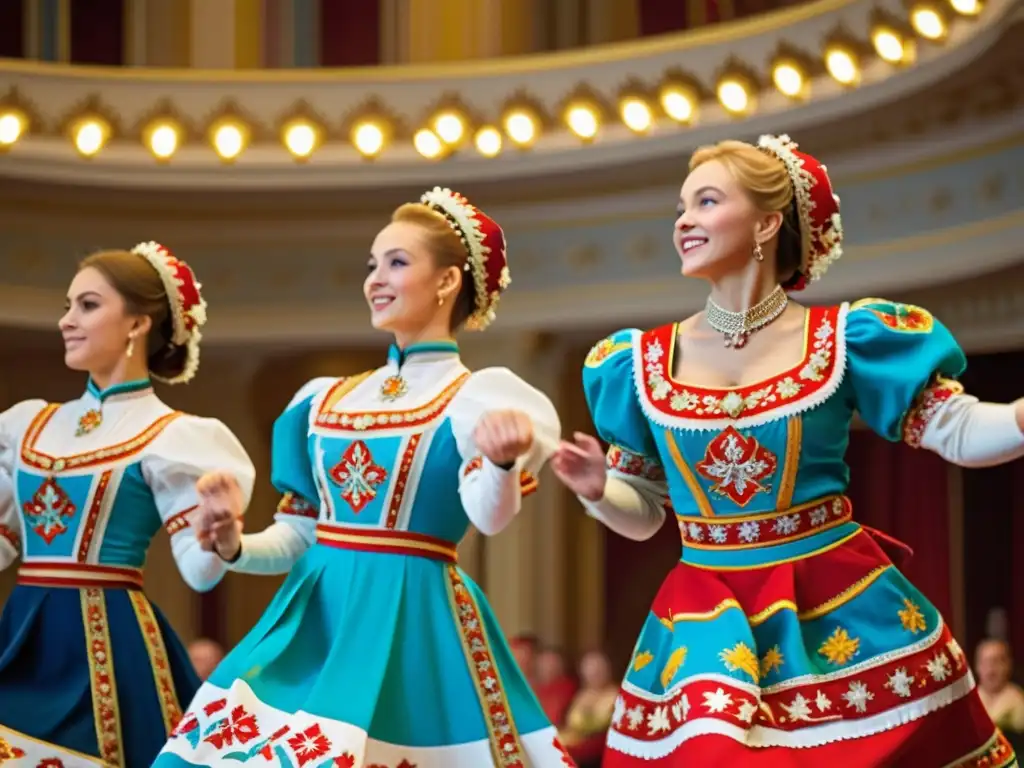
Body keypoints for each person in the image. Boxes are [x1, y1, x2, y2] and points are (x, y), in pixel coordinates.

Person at [553, 135, 1024, 765]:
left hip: (839, 607)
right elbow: (642, 516)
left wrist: (1020, 417)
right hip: (706, 619)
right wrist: (596, 489)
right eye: (679, 209)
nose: (684, 221)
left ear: (768, 222)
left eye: (707, 201)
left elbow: (957, 430)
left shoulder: (845, 338)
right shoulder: (637, 364)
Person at [154, 188, 575, 767]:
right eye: (372, 265)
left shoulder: (479, 396)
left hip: (411, 622)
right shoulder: (323, 401)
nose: (375, 279)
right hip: (316, 624)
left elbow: (488, 517)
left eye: (397, 263)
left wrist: (501, 462)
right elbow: (300, 537)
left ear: (448, 281)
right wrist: (233, 543)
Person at [0, 243, 255, 766]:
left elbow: (200, 573)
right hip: (24, 635)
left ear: (137, 324)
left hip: (109, 648)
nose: (67, 321)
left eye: (88, 306)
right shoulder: (26, 426)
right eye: (67, 306)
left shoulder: (174, 437)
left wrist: (221, 531)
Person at [560, 650, 618, 768]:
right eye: (590, 667)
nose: (595, 672)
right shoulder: (576, 694)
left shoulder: (617, 696)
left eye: (599, 667)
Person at [977, 638, 1024, 734]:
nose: (991, 669)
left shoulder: (1018, 700)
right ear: (977, 666)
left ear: (1008, 665)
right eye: (985, 662)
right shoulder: (968, 701)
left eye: (996, 662)